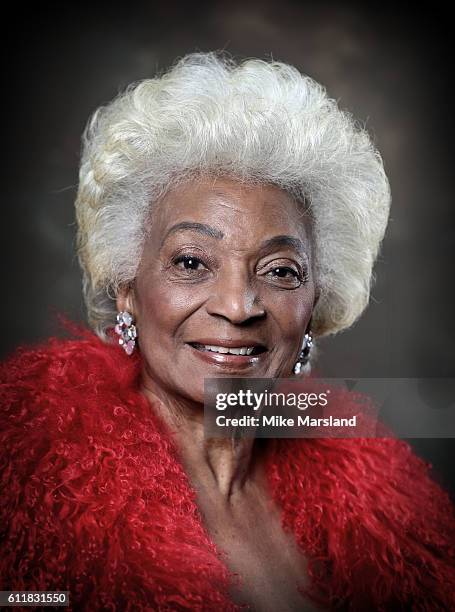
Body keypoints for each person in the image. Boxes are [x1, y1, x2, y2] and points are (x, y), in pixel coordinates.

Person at [1, 52, 454, 611]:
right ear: (127, 285)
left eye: (280, 270)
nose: (239, 307)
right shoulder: (28, 481)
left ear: (315, 303)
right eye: (192, 262)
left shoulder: (385, 503)